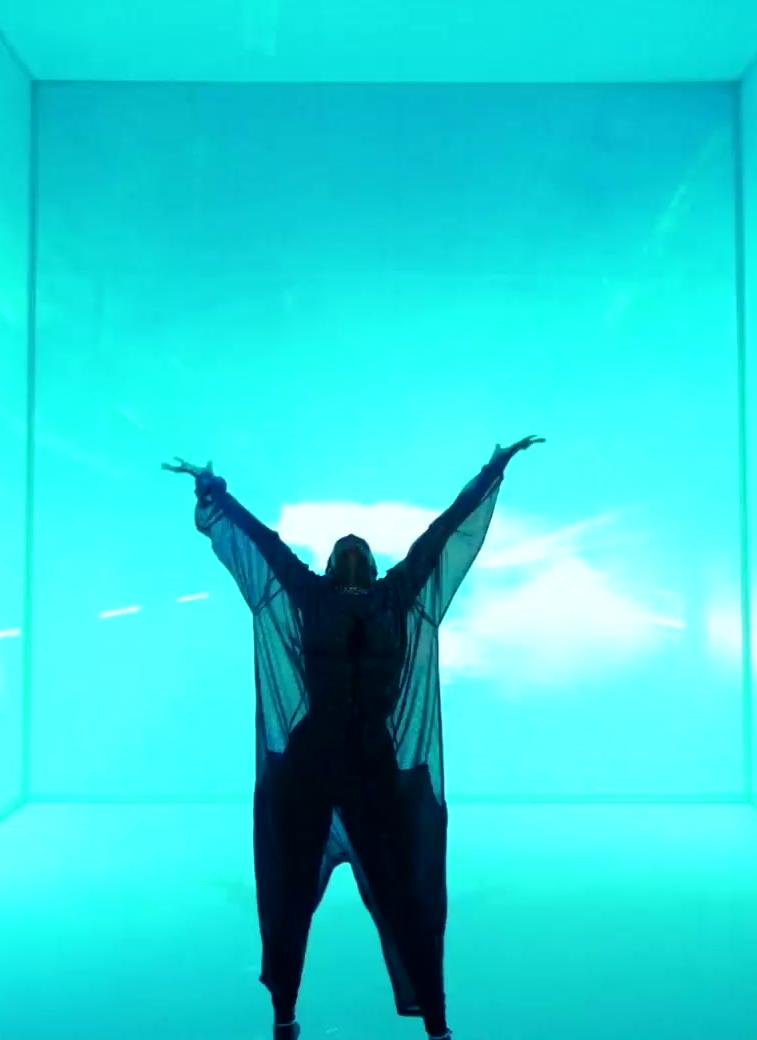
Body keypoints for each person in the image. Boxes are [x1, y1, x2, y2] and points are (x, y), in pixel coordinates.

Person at [164, 437, 545, 1040]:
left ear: (371, 565)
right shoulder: (308, 594)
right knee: (291, 895)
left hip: (373, 769)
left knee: (404, 898)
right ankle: (284, 1018)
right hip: (311, 765)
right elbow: (263, 544)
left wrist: (491, 470)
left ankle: (438, 1027)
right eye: (342, 549)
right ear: (329, 567)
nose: (350, 550)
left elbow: (444, 533)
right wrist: (216, 493)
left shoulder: (398, 594)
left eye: (359, 549)